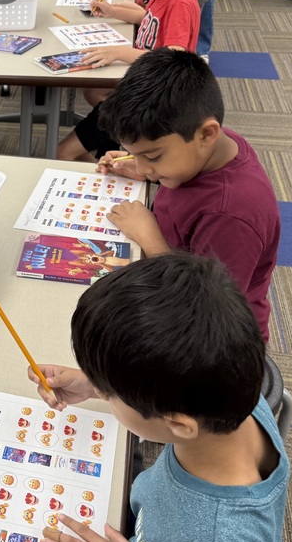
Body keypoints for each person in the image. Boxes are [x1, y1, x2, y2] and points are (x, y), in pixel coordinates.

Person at [29, 253, 289, 542]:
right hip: (164, 541)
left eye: (112, 392)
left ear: (178, 424)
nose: (103, 391)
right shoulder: (233, 399)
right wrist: (101, 383)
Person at [99, 48, 280, 341]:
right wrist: (142, 166)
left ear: (207, 135)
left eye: (153, 156)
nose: (144, 167)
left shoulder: (231, 214)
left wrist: (148, 236)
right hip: (170, 289)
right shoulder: (208, 148)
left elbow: (206, 303)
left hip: (211, 340)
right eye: (137, 155)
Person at [56, 0, 200, 162]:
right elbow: (147, 17)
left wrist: (119, 52)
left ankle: (110, 164)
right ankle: (114, 148)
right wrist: (113, 11)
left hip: (148, 102)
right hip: (140, 88)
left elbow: (172, 58)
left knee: (62, 154)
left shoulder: (181, 4)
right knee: (93, 91)